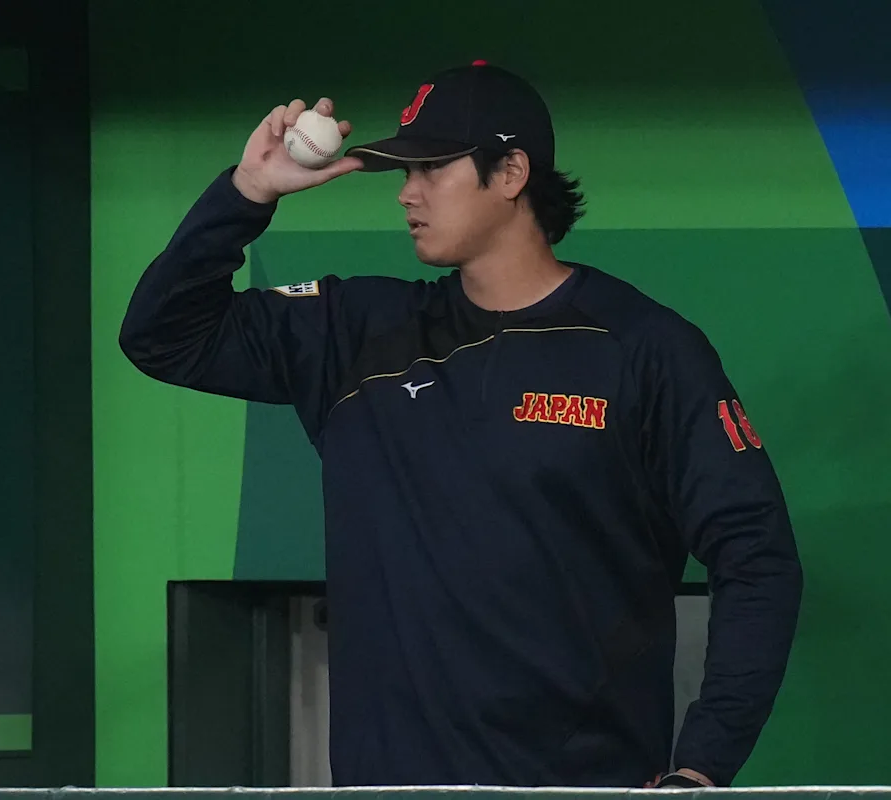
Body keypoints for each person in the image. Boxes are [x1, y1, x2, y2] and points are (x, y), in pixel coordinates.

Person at [119, 61, 803, 788]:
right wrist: (247, 193)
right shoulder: (357, 334)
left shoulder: (643, 347)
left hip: (582, 789)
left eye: (432, 168)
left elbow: (756, 556)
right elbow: (162, 337)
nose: (406, 193)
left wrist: (702, 767)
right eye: (403, 171)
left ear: (510, 173)